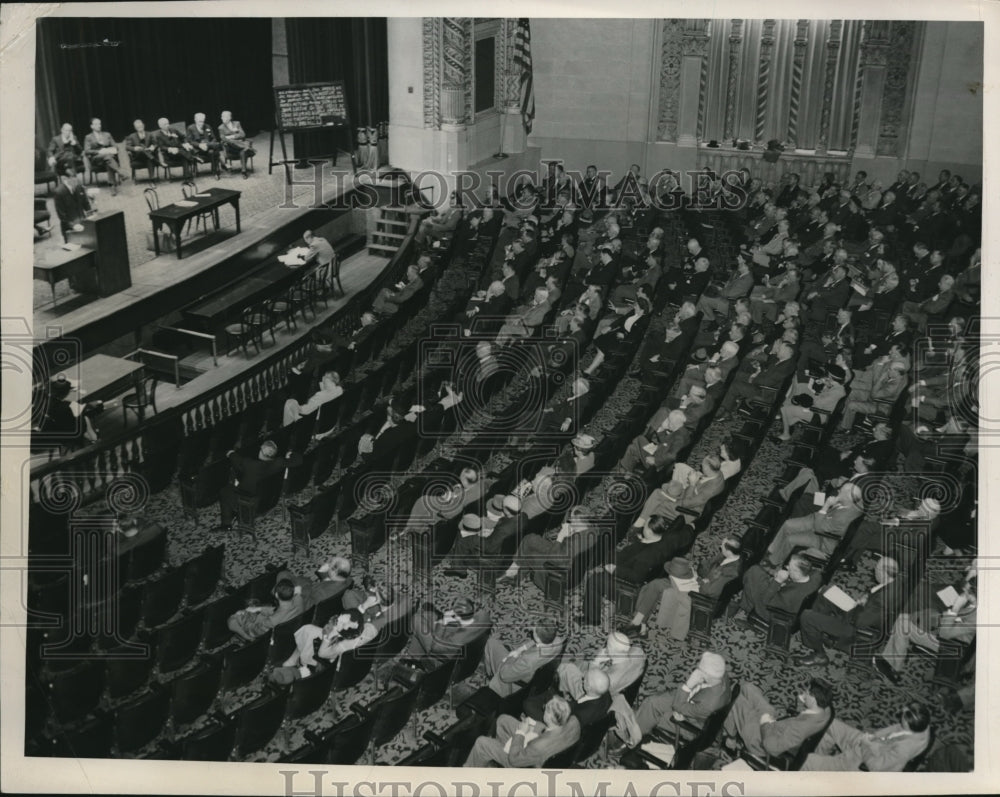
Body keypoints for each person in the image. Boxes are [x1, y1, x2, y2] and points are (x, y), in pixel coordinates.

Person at [621, 537, 742, 641]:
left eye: (723, 545)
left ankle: (638, 624)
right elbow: (703, 567)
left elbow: (709, 591)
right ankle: (640, 625)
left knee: (657, 584)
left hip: (699, 596)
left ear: (729, 550)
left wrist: (700, 580)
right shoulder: (724, 556)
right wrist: (701, 577)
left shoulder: (732, 572)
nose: (720, 546)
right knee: (654, 584)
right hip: (696, 584)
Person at [580, 514, 692, 626]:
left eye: (645, 525)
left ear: (649, 532)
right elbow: (684, 534)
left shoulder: (648, 555)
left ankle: (591, 619)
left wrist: (615, 570)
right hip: (631, 566)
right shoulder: (664, 540)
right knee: (609, 554)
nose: (643, 526)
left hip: (630, 589)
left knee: (595, 579)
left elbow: (636, 577)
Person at [795, 556, 902, 666]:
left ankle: (819, 655)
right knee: (826, 591)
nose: (874, 571)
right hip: (860, 615)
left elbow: (861, 622)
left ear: (883, 573)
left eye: (876, 569)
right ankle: (819, 633)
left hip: (856, 630)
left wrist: (861, 605)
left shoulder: (883, 599)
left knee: (806, 616)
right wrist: (866, 598)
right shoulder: (894, 585)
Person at [873, 572, 977, 684]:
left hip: (952, 647)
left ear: (972, 594)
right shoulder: (979, 607)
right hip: (952, 637)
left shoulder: (977, 617)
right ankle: (899, 651)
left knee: (903, 623)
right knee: (916, 614)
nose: (963, 593)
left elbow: (944, 634)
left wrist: (955, 608)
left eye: (966, 592)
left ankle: (892, 667)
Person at [615, 651, 730, 752]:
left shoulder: (709, 704)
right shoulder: (720, 674)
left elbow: (678, 706)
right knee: (651, 702)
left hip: (692, 725)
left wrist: (689, 684)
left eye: (699, 669)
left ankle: (632, 740)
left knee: (652, 712)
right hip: (693, 702)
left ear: (707, 675)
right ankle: (638, 721)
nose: (696, 669)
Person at [800, 702, 931, 771]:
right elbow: (891, 733)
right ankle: (823, 767)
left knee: (806, 761)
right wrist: (871, 739)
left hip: (861, 763)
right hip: (871, 743)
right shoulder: (921, 725)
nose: (899, 717)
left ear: (909, 725)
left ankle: (818, 770)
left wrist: (867, 744)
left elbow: (874, 768)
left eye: (902, 719)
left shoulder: (903, 750)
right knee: (828, 724)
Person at [724, 678, 833, 760]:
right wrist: (805, 703)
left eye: (806, 692)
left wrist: (765, 723)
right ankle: (735, 722)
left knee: (735, 700)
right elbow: (804, 713)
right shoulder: (826, 710)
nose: (804, 693)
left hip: (760, 740)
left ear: (814, 699)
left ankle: (731, 741)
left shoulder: (798, 729)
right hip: (777, 723)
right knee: (747, 687)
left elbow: (771, 747)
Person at [463, 695, 580, 768]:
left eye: (545, 709)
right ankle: (497, 756)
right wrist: (534, 725)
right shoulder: (573, 723)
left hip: (523, 764)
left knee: (482, 743)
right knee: (503, 720)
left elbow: (514, 760)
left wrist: (521, 733)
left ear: (549, 717)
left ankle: (470, 772)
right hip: (541, 744)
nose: (543, 708)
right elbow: (550, 732)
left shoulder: (538, 746)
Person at [766, 481, 864, 567]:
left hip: (823, 539)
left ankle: (773, 562)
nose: (838, 491)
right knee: (788, 524)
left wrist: (826, 505)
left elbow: (818, 528)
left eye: (841, 491)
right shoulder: (856, 501)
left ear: (847, 497)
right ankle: (773, 549)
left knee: (790, 539)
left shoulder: (843, 518)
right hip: (825, 521)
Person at [212, 441, 302, 532]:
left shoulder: (251, 464)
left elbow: (236, 459)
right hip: (270, 500)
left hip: (252, 504)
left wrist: (230, 453)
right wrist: (291, 453)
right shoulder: (279, 462)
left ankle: (226, 524)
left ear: (262, 453)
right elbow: (299, 460)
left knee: (225, 490)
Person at [269, 608, 377, 684]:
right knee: (309, 630)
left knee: (309, 631)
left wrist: (327, 637)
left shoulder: (341, 646)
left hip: (335, 666)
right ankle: (293, 660)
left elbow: (322, 653)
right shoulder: (369, 629)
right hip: (358, 662)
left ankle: (303, 668)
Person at [395, 597, 491, 670]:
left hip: (441, 657)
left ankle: (415, 660)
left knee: (416, 620)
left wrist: (443, 622)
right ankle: (415, 657)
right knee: (427, 616)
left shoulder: (456, 640)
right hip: (459, 637)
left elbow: (435, 647)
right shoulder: (483, 616)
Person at [555, 631, 646, 702]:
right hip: (622, 676)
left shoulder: (609, 680)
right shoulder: (638, 651)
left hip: (593, 694)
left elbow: (591, 689)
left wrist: (596, 662)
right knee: (582, 663)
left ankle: (564, 693)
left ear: (614, 653)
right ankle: (569, 681)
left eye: (607, 646)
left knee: (566, 668)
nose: (605, 647)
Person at [482, 622, 565, 698]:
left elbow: (504, 676)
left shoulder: (528, 661)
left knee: (491, 643)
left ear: (539, 639)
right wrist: (521, 649)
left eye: (534, 631)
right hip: (531, 670)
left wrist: (510, 658)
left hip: (512, 681)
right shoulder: (557, 641)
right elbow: (537, 641)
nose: (532, 629)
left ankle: (490, 676)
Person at [734, 553, 821, 624]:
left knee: (753, 573)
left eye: (789, 568)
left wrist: (777, 581)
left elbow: (765, 600)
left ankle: (747, 608)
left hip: (774, 613)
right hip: (788, 601)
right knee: (757, 574)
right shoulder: (816, 575)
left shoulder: (788, 595)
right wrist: (785, 582)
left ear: (797, 572)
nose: (786, 567)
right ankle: (746, 604)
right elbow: (796, 583)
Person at [227, 577, 304, 641]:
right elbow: (279, 610)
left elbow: (253, 631)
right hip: (289, 623)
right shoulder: (299, 599)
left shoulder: (271, 621)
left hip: (268, 632)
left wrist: (241, 617)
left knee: (231, 621)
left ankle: (249, 639)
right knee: (257, 609)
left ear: (276, 595)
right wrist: (259, 609)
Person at [617, 409, 690, 474]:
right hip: (660, 450)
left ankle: (624, 469)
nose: (667, 422)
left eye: (668, 421)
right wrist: (661, 429)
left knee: (638, 440)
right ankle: (627, 470)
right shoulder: (683, 431)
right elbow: (666, 442)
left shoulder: (679, 438)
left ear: (673, 424)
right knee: (633, 448)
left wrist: (655, 461)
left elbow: (672, 455)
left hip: (657, 461)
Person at [276, 556, 353, 612]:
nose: (328, 565)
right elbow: (330, 580)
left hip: (305, 602)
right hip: (317, 589)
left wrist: (298, 591)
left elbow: (309, 601)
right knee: (296, 578)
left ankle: (279, 597)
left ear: (335, 572)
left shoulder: (322, 592)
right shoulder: (348, 580)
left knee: (283, 575)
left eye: (330, 565)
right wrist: (322, 572)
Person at [83, 118, 126, 192]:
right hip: (96, 159)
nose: (99, 126)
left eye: (99, 124)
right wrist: (99, 151)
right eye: (96, 124)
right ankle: (120, 172)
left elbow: (116, 146)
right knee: (108, 157)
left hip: (108, 158)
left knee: (108, 160)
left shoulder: (107, 134)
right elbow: (87, 151)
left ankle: (112, 186)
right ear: (92, 126)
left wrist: (109, 149)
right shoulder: (88, 137)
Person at [52, 167, 94, 241]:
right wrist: (73, 225)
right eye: (72, 179)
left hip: (83, 224)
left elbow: (86, 205)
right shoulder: (59, 193)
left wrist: (92, 218)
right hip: (70, 228)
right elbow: (62, 216)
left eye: (76, 178)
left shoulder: (79, 187)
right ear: (65, 179)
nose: (76, 182)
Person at [218, 110, 256, 177]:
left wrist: (232, 136)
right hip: (231, 148)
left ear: (229, 117)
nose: (221, 118)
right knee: (231, 142)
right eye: (222, 116)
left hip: (239, 147)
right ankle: (247, 148)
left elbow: (243, 134)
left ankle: (243, 171)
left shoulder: (237, 123)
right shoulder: (221, 127)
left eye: (224, 116)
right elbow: (223, 138)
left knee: (243, 152)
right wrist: (234, 138)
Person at [186, 112, 223, 177]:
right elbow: (190, 141)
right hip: (198, 150)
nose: (202, 123)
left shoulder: (207, 126)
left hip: (209, 148)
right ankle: (222, 164)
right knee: (217, 146)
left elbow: (214, 138)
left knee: (212, 152)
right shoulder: (190, 128)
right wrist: (199, 145)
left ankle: (214, 172)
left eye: (203, 121)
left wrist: (208, 144)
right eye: (200, 121)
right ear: (195, 120)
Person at [124, 119, 158, 183]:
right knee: (142, 150)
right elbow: (127, 147)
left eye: (141, 126)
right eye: (138, 127)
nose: (140, 128)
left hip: (148, 156)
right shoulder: (132, 136)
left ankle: (152, 179)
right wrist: (134, 148)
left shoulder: (149, 134)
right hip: (138, 157)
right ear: (135, 128)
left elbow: (155, 143)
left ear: (143, 126)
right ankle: (155, 160)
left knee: (149, 159)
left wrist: (153, 147)